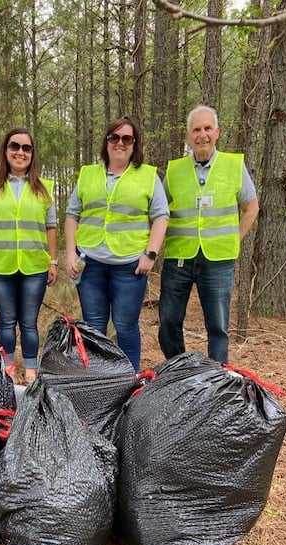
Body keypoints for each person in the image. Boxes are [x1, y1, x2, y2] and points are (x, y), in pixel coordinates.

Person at [65, 116, 169, 372]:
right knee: (93, 326)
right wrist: (70, 253)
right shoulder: (87, 174)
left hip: (130, 267)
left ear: (134, 145)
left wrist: (150, 255)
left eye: (127, 138)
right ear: (107, 141)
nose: (119, 143)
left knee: (125, 326)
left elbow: (161, 216)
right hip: (90, 266)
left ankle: (129, 379)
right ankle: (98, 380)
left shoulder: (148, 175)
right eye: (114, 137)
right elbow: (71, 214)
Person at [158, 105, 259, 364]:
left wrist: (234, 238)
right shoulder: (174, 170)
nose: (202, 134)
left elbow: (251, 207)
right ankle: (177, 371)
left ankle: (216, 378)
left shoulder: (234, 165)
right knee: (168, 321)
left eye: (207, 128)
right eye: (196, 130)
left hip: (219, 260)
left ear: (217, 132)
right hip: (179, 257)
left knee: (217, 326)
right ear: (188, 136)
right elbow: (159, 211)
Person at [0, 127, 58, 383]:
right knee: (6, 321)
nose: (20, 152)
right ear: (6, 150)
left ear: (32, 154)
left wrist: (53, 261)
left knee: (29, 322)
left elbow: (51, 227)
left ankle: (31, 369)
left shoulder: (44, 188)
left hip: (34, 266)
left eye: (26, 148)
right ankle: (7, 368)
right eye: (15, 146)